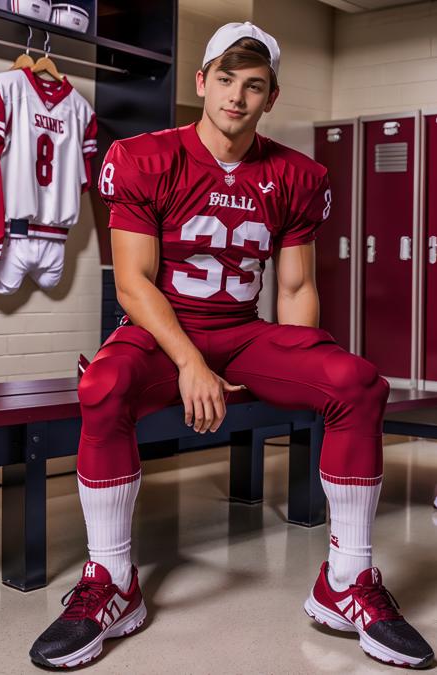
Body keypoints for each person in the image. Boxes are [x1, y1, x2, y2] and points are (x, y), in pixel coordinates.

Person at [29, 21, 434, 670]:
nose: (236, 97)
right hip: (163, 331)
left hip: (243, 332)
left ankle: (347, 579)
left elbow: (296, 285)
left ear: (271, 97)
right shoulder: (144, 156)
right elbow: (132, 283)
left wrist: (307, 372)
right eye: (224, 80)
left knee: (357, 380)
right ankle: (112, 581)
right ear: (201, 81)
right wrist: (190, 361)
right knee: (101, 385)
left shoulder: (297, 175)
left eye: (253, 86)